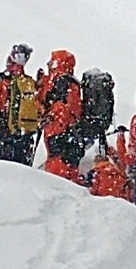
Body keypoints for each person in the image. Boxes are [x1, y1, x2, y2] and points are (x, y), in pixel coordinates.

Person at [0, 43, 39, 165]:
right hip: (26, 139)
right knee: (24, 176)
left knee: (3, 175)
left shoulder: (2, 80)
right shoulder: (29, 83)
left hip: (4, 137)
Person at [37, 49, 85, 182]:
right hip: (69, 137)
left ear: (60, 63)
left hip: (59, 137)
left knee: (56, 179)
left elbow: (62, 108)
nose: (48, 64)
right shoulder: (67, 81)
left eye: (52, 61)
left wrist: (50, 119)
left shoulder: (62, 81)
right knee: (68, 174)